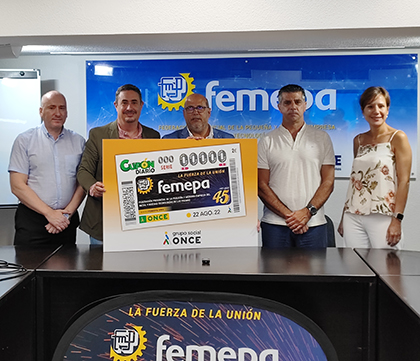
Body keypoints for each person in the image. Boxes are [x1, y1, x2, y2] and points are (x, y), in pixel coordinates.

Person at [77, 84, 160, 243]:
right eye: (124, 102)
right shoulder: (98, 134)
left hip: (143, 221)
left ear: (141, 105)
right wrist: (93, 187)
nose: (130, 107)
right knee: (101, 266)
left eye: (134, 102)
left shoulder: (153, 136)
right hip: (104, 221)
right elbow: (84, 171)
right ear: (116, 105)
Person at [258, 84, 335, 248]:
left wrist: (307, 213)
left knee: (314, 274)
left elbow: (328, 182)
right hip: (274, 226)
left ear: (305, 105)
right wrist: (291, 216)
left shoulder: (322, 138)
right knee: (275, 274)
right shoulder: (266, 141)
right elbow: (261, 185)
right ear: (279, 107)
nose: (293, 106)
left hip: (314, 224)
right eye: (287, 103)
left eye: (297, 102)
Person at [338, 86, 412, 249]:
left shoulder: (398, 137)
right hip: (353, 216)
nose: (376, 111)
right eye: (370, 106)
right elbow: (355, 180)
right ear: (363, 112)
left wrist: (397, 219)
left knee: (387, 269)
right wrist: (344, 216)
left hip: (383, 214)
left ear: (387, 109)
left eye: (380, 106)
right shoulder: (358, 140)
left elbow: (404, 182)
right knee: (354, 269)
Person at [8, 91, 86, 245]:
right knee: (30, 267)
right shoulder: (24, 140)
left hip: (66, 222)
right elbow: (17, 186)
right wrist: (50, 214)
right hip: (32, 222)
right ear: (41, 111)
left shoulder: (79, 141)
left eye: (62, 108)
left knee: (68, 268)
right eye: (51, 107)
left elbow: (83, 182)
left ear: (67, 113)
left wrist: (65, 215)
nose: (57, 113)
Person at [163, 93, 234, 139]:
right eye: (190, 108)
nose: (195, 112)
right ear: (184, 114)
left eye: (200, 107)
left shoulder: (228, 139)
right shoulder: (169, 140)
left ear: (209, 112)